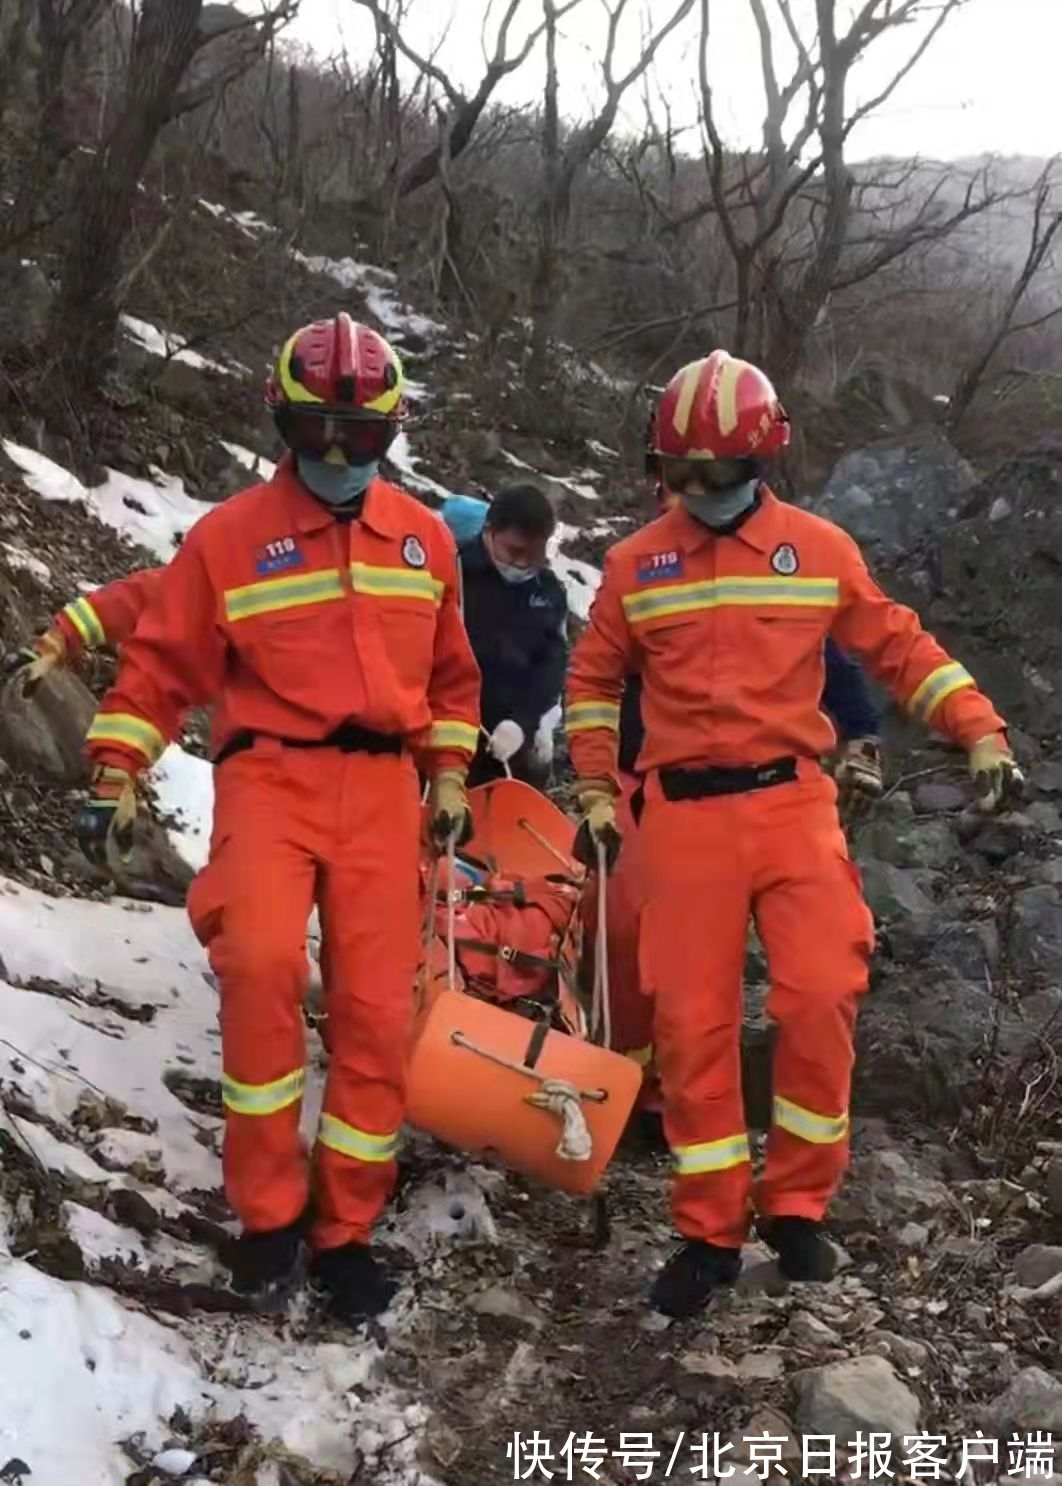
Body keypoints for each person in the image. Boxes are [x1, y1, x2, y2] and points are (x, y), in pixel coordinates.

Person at [566, 350, 1022, 1318]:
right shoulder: (633, 564)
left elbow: (897, 644)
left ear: (762, 461)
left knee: (821, 992)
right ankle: (706, 1229)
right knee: (693, 1029)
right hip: (680, 816)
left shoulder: (817, 549)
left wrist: (978, 727)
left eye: (716, 473)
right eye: (677, 473)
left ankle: (798, 1206)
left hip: (792, 803)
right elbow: (594, 682)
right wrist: (597, 788)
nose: (695, 492)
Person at [78, 313, 482, 1324]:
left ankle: (344, 1229)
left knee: (378, 1017)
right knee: (258, 963)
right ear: (283, 424)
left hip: (386, 792)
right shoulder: (228, 538)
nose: (337, 455)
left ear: (390, 433)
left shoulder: (426, 539)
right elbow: (162, 662)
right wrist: (118, 762)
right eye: (318, 435)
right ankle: (267, 1215)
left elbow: (452, 677)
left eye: (359, 438)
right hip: (270, 779)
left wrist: (446, 772)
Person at [454, 482, 568, 789]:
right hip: (450, 733)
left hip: (512, 743)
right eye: (515, 551)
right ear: (489, 532)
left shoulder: (548, 591)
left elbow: (551, 665)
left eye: (534, 554)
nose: (522, 563)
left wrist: (523, 723)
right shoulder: (454, 572)